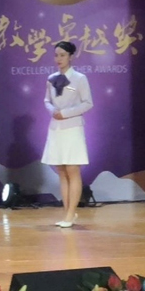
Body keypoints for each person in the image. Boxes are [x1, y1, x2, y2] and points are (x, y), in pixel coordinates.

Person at [41, 41, 93, 228]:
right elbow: (47, 100)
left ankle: (71, 214)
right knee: (61, 171)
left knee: (72, 170)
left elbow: (87, 103)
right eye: (56, 55)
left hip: (72, 128)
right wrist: (53, 111)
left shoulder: (80, 78)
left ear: (71, 56)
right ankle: (67, 213)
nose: (58, 59)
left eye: (62, 55)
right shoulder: (51, 78)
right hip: (56, 128)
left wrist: (65, 113)